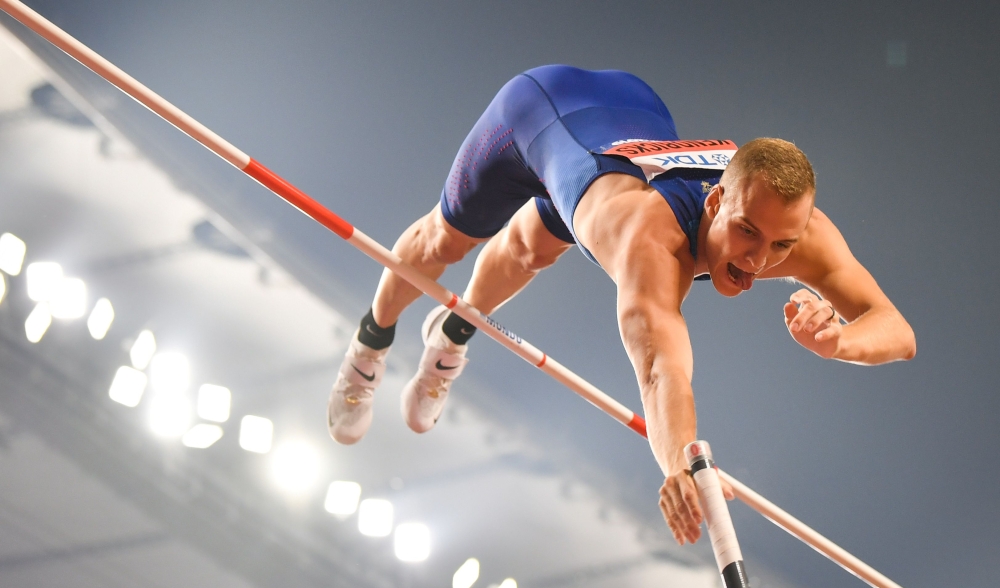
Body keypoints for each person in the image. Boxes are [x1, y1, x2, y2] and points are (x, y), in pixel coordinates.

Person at [326, 65, 916, 546]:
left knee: (530, 249)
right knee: (446, 241)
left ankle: (452, 336)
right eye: (746, 233)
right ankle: (368, 347)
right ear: (715, 204)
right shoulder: (651, 243)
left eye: (781, 245)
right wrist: (681, 465)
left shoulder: (800, 233)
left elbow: (897, 332)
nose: (760, 260)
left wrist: (838, 341)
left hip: (630, 117)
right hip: (540, 114)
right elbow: (661, 370)